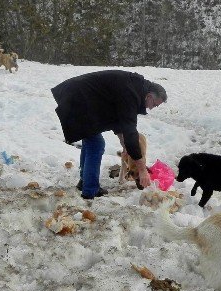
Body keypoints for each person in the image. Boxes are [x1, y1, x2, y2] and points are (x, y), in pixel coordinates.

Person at [51, 70, 167, 200]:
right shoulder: (131, 94)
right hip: (77, 99)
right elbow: (130, 131)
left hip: (78, 97)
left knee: (91, 141)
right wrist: (142, 169)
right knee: (96, 144)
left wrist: (124, 144)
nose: (152, 108)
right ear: (149, 96)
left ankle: (85, 182)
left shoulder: (134, 88)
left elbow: (117, 118)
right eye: (154, 105)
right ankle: (89, 190)